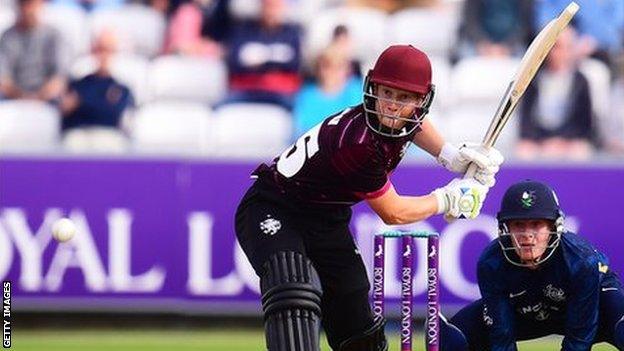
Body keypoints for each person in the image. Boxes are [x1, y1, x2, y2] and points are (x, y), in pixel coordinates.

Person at [234, 44, 504, 351]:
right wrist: (449, 199)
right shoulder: (359, 143)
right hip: (273, 206)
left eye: (404, 98)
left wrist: (449, 154)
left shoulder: (399, 122)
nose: (391, 105)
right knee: (293, 287)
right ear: (373, 88)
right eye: (387, 93)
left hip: (326, 218)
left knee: (354, 310)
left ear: (420, 102)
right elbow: (393, 213)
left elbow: (413, 128)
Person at [440, 180, 624, 351]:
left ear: (554, 227)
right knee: (448, 338)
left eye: (536, 224)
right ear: (506, 228)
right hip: (527, 310)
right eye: (518, 224)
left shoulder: (581, 260)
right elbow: (501, 336)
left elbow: (580, 336)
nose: (527, 235)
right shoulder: (491, 263)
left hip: (592, 308)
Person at [516, 27, 594, 161]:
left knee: (580, 151)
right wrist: (542, 141)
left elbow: (584, 122)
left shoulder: (581, 81)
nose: (562, 53)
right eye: (557, 47)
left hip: (569, 140)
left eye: (567, 47)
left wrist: (560, 140)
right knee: (523, 151)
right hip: (538, 138)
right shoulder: (533, 80)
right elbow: (526, 118)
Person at [59, 30, 133, 153]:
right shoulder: (78, 84)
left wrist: (82, 103)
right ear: (93, 51)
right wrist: (102, 102)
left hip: (108, 135)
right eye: (100, 49)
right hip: (80, 134)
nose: (103, 55)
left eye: (108, 50)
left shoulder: (121, 88)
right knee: (73, 142)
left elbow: (114, 114)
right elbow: (68, 117)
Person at [0, 0, 68, 103]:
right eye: (24, 4)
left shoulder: (53, 36)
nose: (28, 10)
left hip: (47, 100)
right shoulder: (7, 37)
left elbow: (59, 78)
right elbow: (3, 78)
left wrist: (39, 97)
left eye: (32, 5)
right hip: (13, 99)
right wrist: (22, 97)